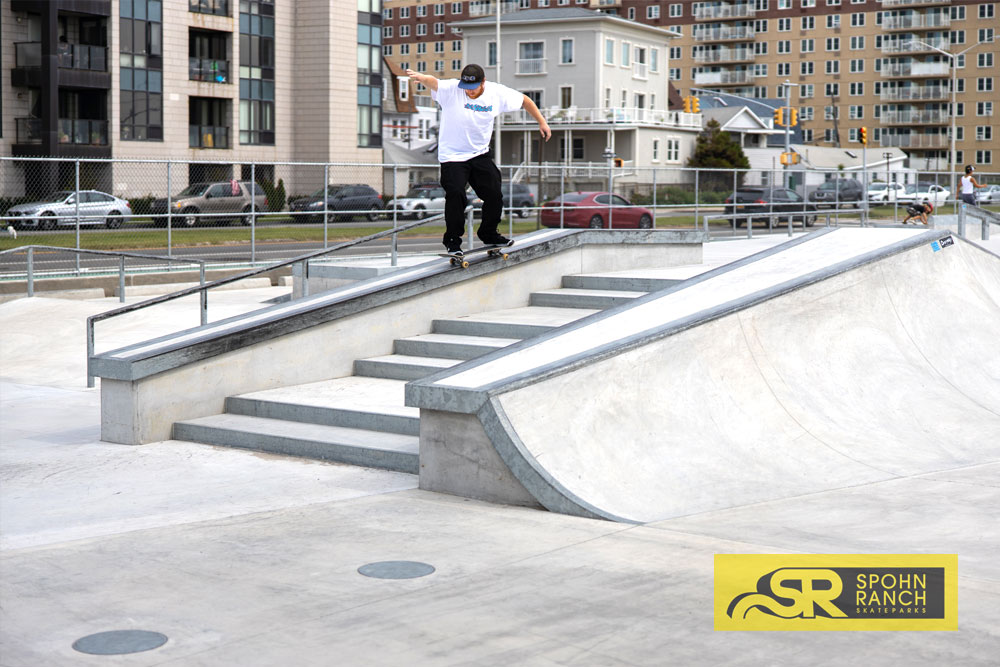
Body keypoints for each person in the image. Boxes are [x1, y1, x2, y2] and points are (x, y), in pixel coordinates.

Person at [405, 64, 551, 256]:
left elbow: (525, 100)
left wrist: (542, 121)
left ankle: (489, 233)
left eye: (473, 89)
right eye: (466, 88)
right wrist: (423, 78)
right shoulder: (452, 89)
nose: (469, 92)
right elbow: (435, 83)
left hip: (479, 154)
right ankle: (453, 240)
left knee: (494, 194)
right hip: (453, 157)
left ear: (482, 82)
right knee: (456, 194)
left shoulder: (496, 92)